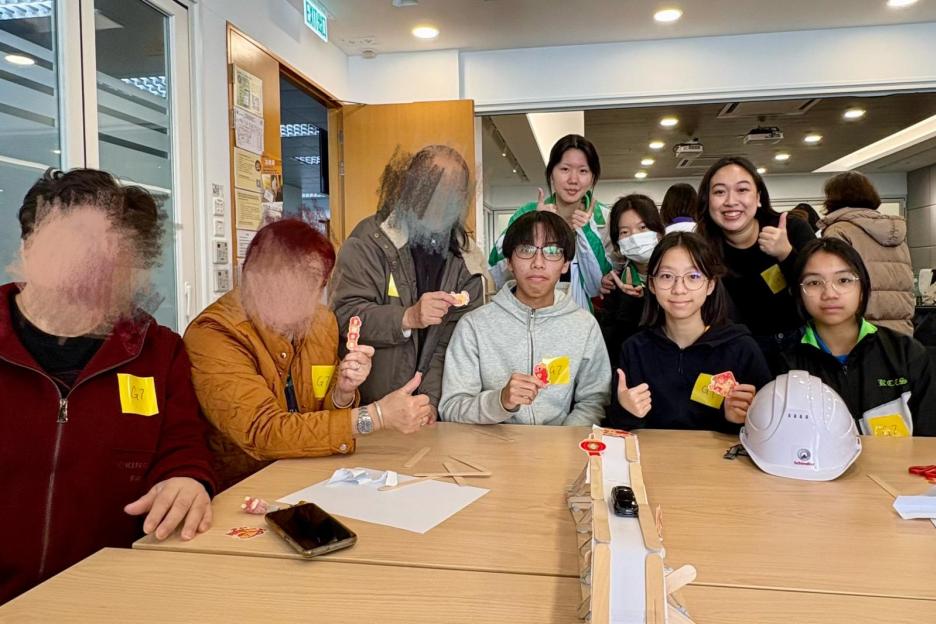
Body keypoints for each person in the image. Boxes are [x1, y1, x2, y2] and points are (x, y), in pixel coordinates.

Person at [1, 169, 216, 604]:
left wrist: (188, 479)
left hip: (112, 594)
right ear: (27, 248)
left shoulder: (158, 350)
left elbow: (183, 445)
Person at [185, 219, 433, 490]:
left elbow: (321, 416)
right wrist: (376, 416)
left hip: (313, 475)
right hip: (244, 486)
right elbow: (264, 432)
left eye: (313, 282)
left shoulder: (322, 323)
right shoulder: (214, 334)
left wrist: (342, 392)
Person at [329, 145, 486, 417]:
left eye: (454, 191)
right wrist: (407, 317)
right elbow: (345, 315)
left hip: (428, 413)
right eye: (433, 186)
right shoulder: (370, 239)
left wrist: (430, 403)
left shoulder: (466, 258)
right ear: (411, 185)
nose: (442, 200)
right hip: (369, 407)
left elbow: (452, 343)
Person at [440, 211, 610, 425]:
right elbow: (452, 406)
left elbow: (594, 401)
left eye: (551, 251)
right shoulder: (474, 325)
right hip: (491, 443)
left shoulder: (584, 325)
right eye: (526, 250)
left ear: (565, 264)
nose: (538, 262)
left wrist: (563, 439)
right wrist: (500, 402)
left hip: (560, 443)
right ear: (509, 262)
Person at [608, 232, 772, 432]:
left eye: (693, 277)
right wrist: (627, 412)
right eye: (667, 276)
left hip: (720, 453)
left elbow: (767, 428)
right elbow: (617, 428)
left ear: (710, 284)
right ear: (652, 284)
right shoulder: (634, 350)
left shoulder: (741, 348)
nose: (679, 289)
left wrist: (738, 419)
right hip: (651, 452)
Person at [779, 238, 935, 436]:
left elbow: (929, 440)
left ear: (862, 289)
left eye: (843, 280)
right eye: (814, 283)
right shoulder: (785, 362)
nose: (829, 293)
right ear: (799, 294)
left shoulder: (906, 354)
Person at [696, 156, 815, 368]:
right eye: (719, 192)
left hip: (802, 346)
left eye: (742, 190)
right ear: (707, 201)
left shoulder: (791, 229)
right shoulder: (702, 249)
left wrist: (787, 255)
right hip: (740, 353)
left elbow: (819, 290)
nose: (731, 201)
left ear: (758, 197)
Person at [488, 134, 612, 311]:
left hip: (580, 317)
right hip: (527, 314)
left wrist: (587, 232)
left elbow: (601, 283)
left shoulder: (605, 219)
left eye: (583, 171)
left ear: (593, 177)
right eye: (565, 169)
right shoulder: (527, 213)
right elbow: (495, 269)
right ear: (551, 173)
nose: (573, 180)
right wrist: (533, 225)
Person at [818, 172, 913, 335]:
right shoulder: (895, 232)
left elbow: (837, 283)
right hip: (900, 328)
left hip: (861, 328)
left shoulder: (839, 231)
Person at [597, 194, 664, 363]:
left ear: (659, 232)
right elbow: (611, 344)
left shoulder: (679, 277)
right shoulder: (614, 285)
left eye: (643, 227)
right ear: (617, 243)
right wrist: (630, 302)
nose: (635, 237)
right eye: (624, 232)